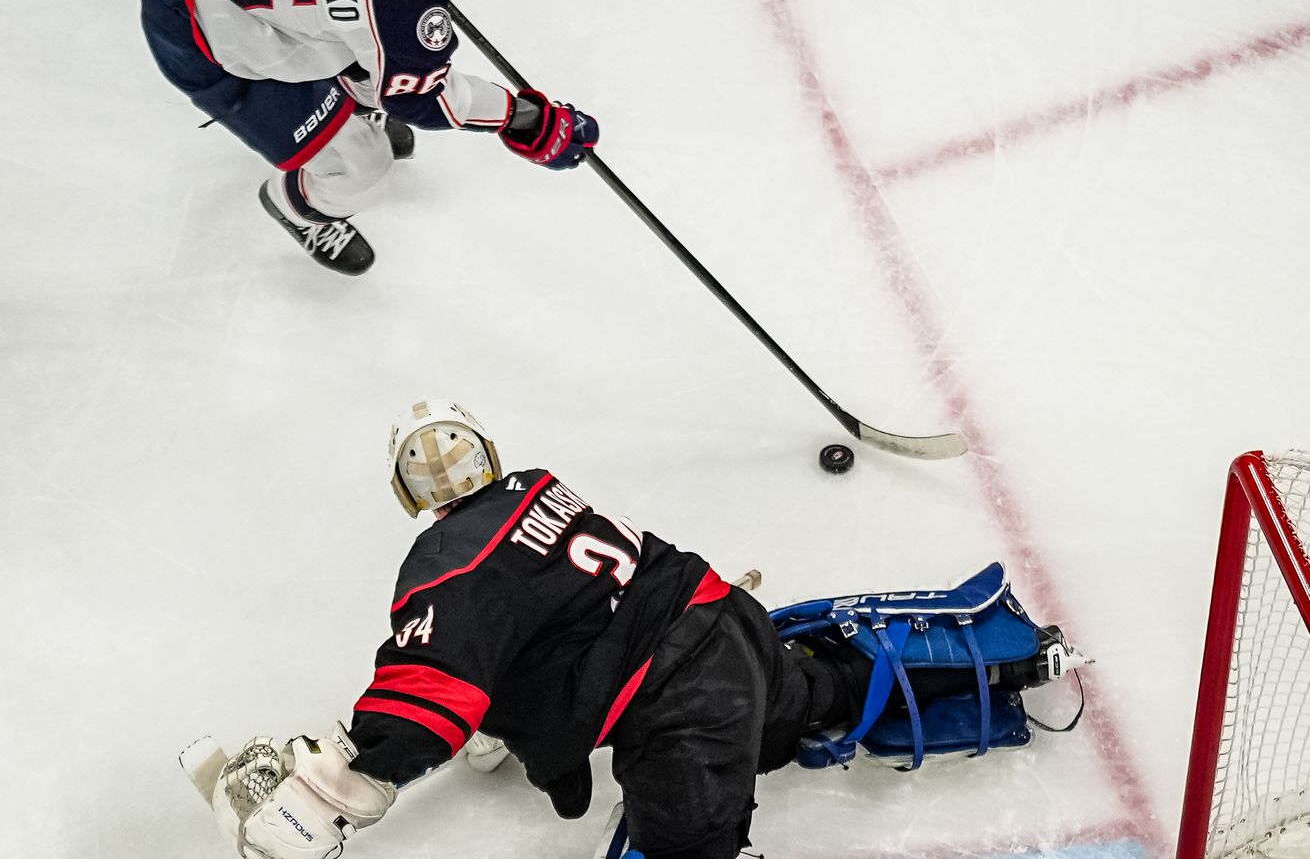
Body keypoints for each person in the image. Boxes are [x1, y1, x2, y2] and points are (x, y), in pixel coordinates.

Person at [196, 400, 1086, 859]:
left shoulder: (443, 566)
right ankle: (1010, 660)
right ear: (491, 459)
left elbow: (428, 699)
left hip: (679, 718)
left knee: (690, 846)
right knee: (818, 688)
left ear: (410, 498)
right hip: (723, 624)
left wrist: (324, 789)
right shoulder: (541, 487)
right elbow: (538, 620)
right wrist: (502, 723)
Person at [138, 0, 598, 275]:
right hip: (214, 41)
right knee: (364, 166)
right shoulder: (399, 12)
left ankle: (357, 91)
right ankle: (297, 208)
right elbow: (428, 99)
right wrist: (530, 121)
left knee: (365, 55)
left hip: (260, 14)